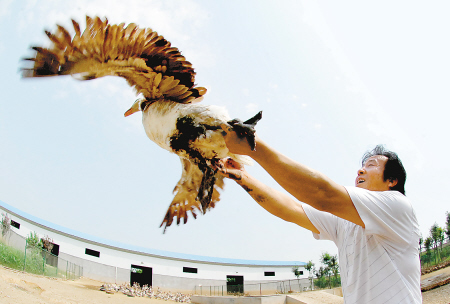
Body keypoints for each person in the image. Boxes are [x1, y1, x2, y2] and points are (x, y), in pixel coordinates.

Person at [217, 127, 421, 304]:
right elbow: (292, 209)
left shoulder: (398, 207)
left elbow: (322, 194)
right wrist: (243, 177)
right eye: (362, 165)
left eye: (371, 165)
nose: (361, 170)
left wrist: (254, 146)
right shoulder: (345, 220)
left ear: (392, 180)